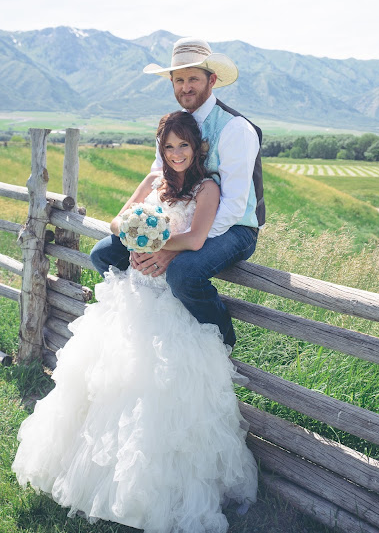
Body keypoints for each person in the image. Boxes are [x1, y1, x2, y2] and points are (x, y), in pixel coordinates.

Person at [13, 111, 258, 533]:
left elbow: (197, 239)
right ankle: (94, 475)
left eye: (184, 146)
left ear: (196, 148)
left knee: (159, 389)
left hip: (167, 300)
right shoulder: (154, 182)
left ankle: (159, 489)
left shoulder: (208, 187)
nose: (176, 154)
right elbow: (116, 221)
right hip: (137, 289)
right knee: (111, 378)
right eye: (169, 147)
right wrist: (135, 236)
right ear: (160, 149)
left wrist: (160, 245)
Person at [90, 37, 265, 349]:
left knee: (184, 273)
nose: (186, 87)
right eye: (179, 79)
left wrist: (172, 246)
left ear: (212, 80)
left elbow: (234, 206)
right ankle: (148, 321)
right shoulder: (174, 125)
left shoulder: (235, 129)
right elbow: (159, 179)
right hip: (179, 220)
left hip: (235, 226)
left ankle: (221, 344)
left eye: (193, 79)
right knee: (104, 253)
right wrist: (144, 239)